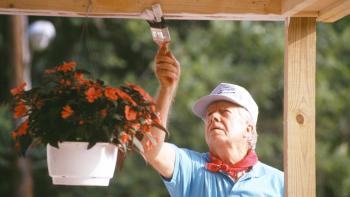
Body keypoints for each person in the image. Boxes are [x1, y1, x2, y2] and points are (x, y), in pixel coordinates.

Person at [144, 43, 284, 197]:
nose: (213, 117)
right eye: (209, 114)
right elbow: (151, 149)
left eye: (224, 112)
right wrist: (167, 89)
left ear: (248, 129)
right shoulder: (190, 167)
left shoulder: (281, 183)